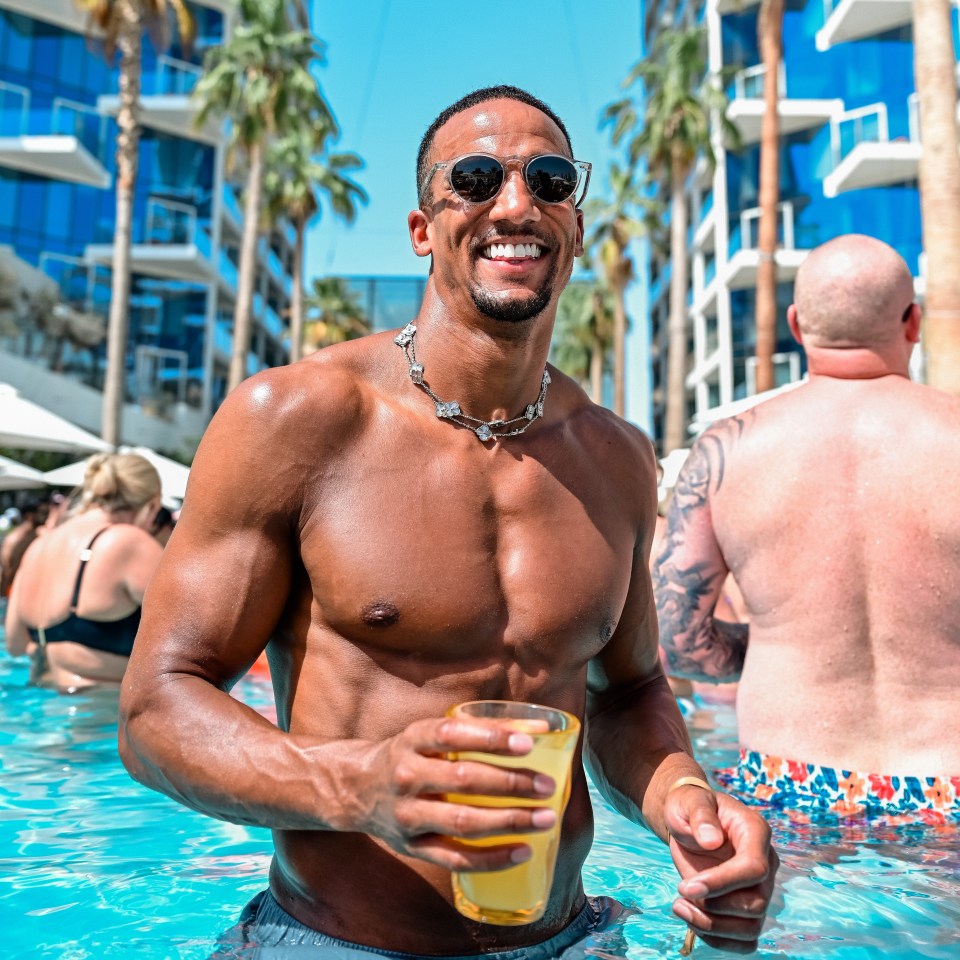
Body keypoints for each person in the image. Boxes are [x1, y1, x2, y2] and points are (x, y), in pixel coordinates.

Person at [118, 86, 777, 958]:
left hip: (568, 939)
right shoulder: (298, 418)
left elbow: (632, 694)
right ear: (423, 229)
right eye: (473, 180)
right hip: (336, 942)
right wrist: (356, 784)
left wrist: (685, 800)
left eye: (549, 180)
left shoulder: (615, 458)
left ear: (573, 225)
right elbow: (154, 710)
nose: (516, 204)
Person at [653, 233, 960, 816]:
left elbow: (680, 645)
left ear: (795, 325)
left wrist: (784, 645)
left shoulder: (727, 451)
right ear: (913, 320)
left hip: (787, 783)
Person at [5, 453, 164, 693]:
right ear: (152, 504)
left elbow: (15, 644)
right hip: (104, 712)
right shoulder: (128, 542)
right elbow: (199, 632)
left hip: (45, 702)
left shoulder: (39, 546)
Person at [0, 497, 49, 597]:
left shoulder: (36, 535)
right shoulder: (17, 539)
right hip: (12, 594)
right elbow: (7, 571)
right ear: (29, 516)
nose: (46, 517)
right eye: (42, 513)